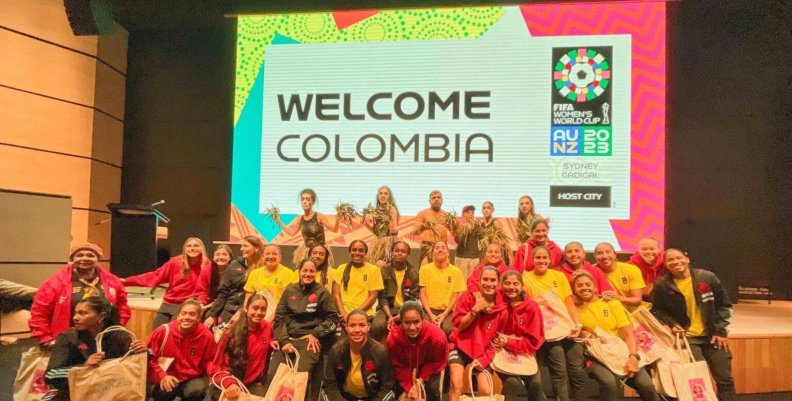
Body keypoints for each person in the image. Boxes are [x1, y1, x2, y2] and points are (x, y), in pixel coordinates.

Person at [651, 248, 736, 401]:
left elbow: (724, 306)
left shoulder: (707, 277)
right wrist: (672, 324)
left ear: (687, 259)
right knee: (698, 382)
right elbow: (657, 310)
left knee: (725, 380)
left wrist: (720, 331)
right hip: (688, 340)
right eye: (670, 260)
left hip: (713, 337)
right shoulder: (661, 284)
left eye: (679, 258)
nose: (676, 262)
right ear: (665, 264)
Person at [571, 271, 660, 401]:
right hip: (595, 356)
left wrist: (633, 357)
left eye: (587, 284)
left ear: (595, 287)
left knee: (646, 385)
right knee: (609, 383)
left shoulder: (612, 303)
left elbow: (628, 333)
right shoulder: (574, 308)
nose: (584, 287)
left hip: (620, 352)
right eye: (579, 285)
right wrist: (583, 331)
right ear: (574, 290)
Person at [42, 296, 145, 401]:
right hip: (74, 393)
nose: (75, 318)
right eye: (75, 313)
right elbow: (50, 374)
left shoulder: (119, 335)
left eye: (83, 313)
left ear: (101, 316)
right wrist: (83, 368)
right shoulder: (68, 336)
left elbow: (138, 365)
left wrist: (143, 350)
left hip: (111, 393)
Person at [30, 243, 130, 347]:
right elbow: (39, 312)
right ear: (72, 259)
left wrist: (117, 328)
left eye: (90, 255)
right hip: (68, 341)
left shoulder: (113, 281)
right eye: (79, 255)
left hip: (104, 340)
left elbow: (122, 307)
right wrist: (45, 339)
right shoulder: (54, 283)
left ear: (98, 259)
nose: (84, 258)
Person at [523, 246, 585, 401]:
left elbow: (569, 302)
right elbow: (529, 307)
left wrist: (576, 324)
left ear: (550, 260)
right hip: (548, 332)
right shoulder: (525, 278)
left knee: (577, 372)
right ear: (532, 260)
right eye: (538, 258)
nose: (542, 260)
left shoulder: (559, 276)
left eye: (545, 258)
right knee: (560, 372)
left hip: (567, 328)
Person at [271, 258, 338, 401]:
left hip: (309, 341)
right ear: (299, 272)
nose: (308, 274)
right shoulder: (289, 291)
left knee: (300, 377)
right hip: (287, 340)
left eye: (311, 271)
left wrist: (315, 333)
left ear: (316, 273)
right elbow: (279, 317)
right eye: (305, 270)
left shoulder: (322, 292)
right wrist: (283, 341)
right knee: (273, 374)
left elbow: (332, 318)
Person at [122, 237, 212, 327]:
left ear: (202, 248)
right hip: (168, 302)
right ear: (184, 249)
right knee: (157, 331)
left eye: (196, 246)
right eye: (189, 246)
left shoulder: (206, 265)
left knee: (173, 332)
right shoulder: (175, 262)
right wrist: (127, 281)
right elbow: (155, 276)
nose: (192, 248)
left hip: (186, 305)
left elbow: (203, 289)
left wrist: (201, 303)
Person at [448, 267, 506, 401]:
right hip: (460, 345)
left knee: (486, 390)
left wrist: (485, 359)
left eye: (493, 280)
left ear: (498, 284)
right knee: (456, 384)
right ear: (479, 282)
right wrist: (474, 310)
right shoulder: (467, 298)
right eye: (485, 279)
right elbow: (459, 326)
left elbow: (497, 342)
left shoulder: (503, 309)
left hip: (483, 351)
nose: (489, 283)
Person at [147, 299, 216, 401]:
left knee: (197, 390)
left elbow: (209, 360)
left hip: (191, 378)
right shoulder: (163, 331)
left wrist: (214, 377)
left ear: (199, 318)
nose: (187, 317)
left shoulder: (206, 335)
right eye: (183, 314)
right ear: (178, 316)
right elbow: (149, 358)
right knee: (164, 391)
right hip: (166, 376)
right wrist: (162, 376)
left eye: (192, 314)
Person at [209, 294, 275, 399]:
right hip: (228, 379)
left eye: (263, 309)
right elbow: (216, 365)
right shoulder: (231, 331)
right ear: (246, 309)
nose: (259, 312)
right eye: (255, 308)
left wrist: (270, 341)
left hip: (252, 382)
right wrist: (229, 383)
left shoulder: (267, 328)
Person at [321, 309, 396, 401]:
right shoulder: (336, 350)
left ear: (368, 327)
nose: (357, 330)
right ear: (346, 327)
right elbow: (329, 385)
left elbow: (388, 387)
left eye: (362, 325)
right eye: (352, 325)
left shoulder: (380, 352)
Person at [496, 270, 546, 401]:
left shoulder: (532, 307)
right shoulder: (497, 303)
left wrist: (509, 342)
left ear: (522, 286)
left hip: (525, 351)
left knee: (536, 386)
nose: (511, 287)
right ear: (501, 285)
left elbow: (534, 341)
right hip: (500, 351)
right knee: (511, 383)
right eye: (507, 283)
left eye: (515, 283)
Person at [387, 301, 448, 401]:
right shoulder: (393, 339)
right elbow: (399, 366)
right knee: (400, 391)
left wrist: (420, 381)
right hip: (405, 367)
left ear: (423, 320)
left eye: (416, 322)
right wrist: (409, 387)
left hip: (430, 367)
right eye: (407, 322)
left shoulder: (437, 337)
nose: (412, 327)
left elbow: (435, 362)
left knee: (432, 391)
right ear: (401, 321)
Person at [204, 236, 264, 328]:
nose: (241, 249)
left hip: (250, 309)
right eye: (241, 246)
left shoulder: (264, 267)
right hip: (228, 307)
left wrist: (241, 312)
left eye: (245, 246)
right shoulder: (234, 264)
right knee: (214, 326)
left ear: (256, 248)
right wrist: (213, 314)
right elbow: (223, 291)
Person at [274, 188, 340, 267]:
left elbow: (334, 230)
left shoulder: (319, 216)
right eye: (303, 199)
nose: (305, 201)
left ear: (313, 202)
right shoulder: (300, 218)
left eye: (308, 199)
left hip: (319, 250)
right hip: (307, 251)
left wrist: (337, 219)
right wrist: (279, 222)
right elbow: (292, 233)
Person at [371, 241, 420, 341]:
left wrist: (400, 315)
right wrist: (389, 316)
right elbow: (382, 297)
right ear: (392, 252)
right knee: (377, 326)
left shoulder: (413, 273)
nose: (399, 253)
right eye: (396, 250)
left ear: (408, 254)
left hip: (406, 309)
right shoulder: (384, 270)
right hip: (386, 309)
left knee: (412, 326)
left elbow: (413, 298)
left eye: (403, 251)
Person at [418, 241, 467, 336]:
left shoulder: (456, 272)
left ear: (448, 253)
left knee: (449, 329)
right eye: (437, 248)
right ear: (432, 253)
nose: (440, 250)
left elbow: (455, 297)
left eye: (443, 247)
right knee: (425, 327)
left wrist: (444, 314)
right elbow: (422, 294)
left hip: (448, 311)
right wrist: (431, 315)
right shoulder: (425, 269)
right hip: (428, 310)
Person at [242, 244, 298, 322]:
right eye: (267, 254)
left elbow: (284, 302)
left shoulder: (288, 273)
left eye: (274, 254)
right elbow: (249, 295)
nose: (271, 256)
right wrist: (246, 311)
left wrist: (267, 322)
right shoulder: (255, 273)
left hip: (279, 316)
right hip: (257, 314)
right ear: (263, 257)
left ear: (280, 257)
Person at [333, 240, 384, 323]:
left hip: (365, 314)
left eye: (361, 250)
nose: (357, 253)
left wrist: (352, 315)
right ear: (349, 252)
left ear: (365, 253)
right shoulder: (341, 268)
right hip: (342, 315)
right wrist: (343, 314)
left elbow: (373, 297)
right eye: (354, 250)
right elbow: (336, 295)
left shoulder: (374, 270)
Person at [594, 242, 649, 311]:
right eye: (600, 253)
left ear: (615, 255)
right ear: (595, 257)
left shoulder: (631, 269)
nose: (604, 256)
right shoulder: (590, 272)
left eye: (608, 252)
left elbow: (637, 300)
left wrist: (618, 298)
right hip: (605, 312)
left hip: (632, 313)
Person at [362, 185, 400, 266]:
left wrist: (391, 222)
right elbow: (376, 232)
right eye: (381, 193)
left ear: (389, 196)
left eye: (385, 194)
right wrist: (365, 224)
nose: (383, 195)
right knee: (374, 265)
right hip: (378, 242)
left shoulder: (392, 209)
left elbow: (394, 230)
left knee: (381, 264)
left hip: (389, 242)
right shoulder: (375, 211)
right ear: (378, 196)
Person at [412, 190, 453, 264]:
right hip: (427, 248)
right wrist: (424, 226)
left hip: (442, 249)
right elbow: (415, 231)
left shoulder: (447, 216)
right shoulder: (423, 213)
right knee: (425, 273)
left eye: (438, 197)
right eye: (433, 198)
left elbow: (455, 233)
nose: (436, 199)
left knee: (443, 274)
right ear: (429, 201)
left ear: (442, 200)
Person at [453, 205, 483, 278]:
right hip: (462, 257)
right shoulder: (459, 226)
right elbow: (458, 241)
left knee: (472, 281)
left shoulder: (478, 226)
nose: (471, 214)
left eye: (472, 212)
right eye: (468, 212)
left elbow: (482, 239)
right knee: (461, 282)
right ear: (463, 214)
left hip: (474, 258)